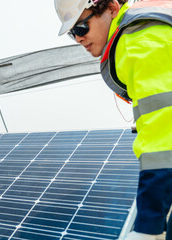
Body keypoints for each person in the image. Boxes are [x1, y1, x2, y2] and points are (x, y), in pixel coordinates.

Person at [54, 0, 172, 239]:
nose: (78, 39)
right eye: (72, 34)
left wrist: (149, 226)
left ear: (112, 8)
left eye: (81, 28)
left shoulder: (139, 40)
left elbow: (163, 135)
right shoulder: (149, 25)